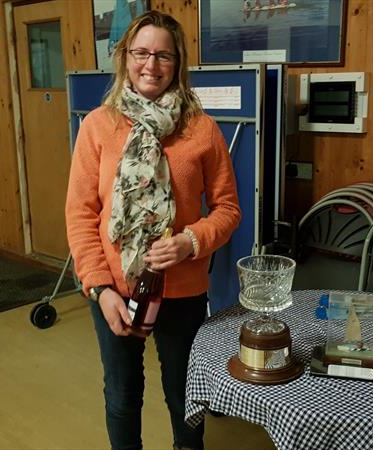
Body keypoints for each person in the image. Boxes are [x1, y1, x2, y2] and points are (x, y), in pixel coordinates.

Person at [65, 10, 241, 450]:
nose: (151, 65)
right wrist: (100, 289)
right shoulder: (98, 127)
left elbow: (228, 209)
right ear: (125, 57)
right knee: (122, 396)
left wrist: (190, 241)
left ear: (178, 64)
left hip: (182, 290)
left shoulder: (202, 129)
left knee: (185, 397)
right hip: (114, 289)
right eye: (141, 53)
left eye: (163, 55)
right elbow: (81, 215)